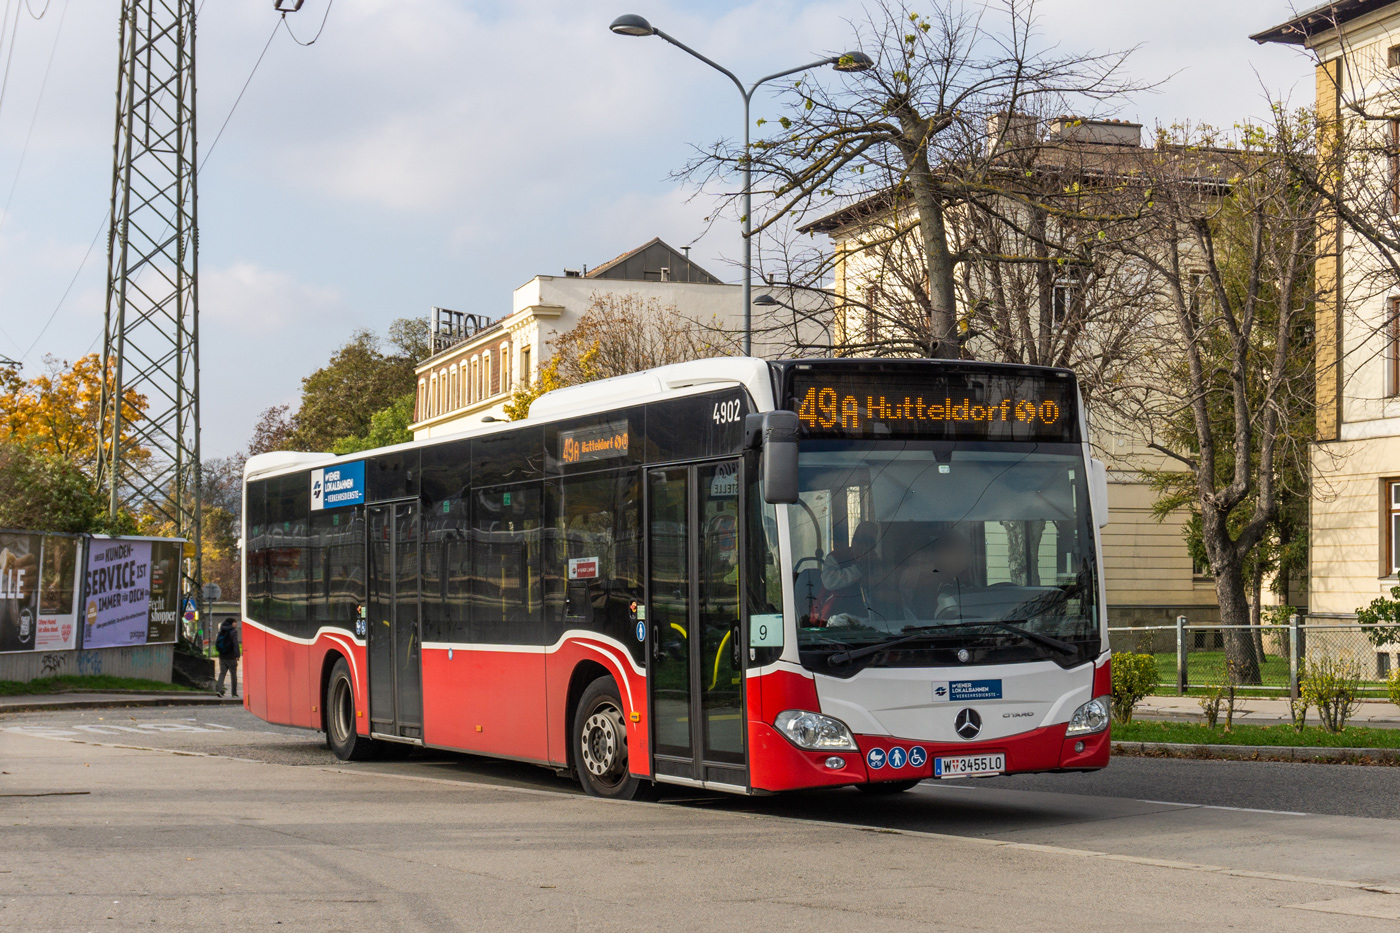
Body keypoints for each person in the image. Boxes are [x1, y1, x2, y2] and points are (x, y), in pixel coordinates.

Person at [214, 617, 241, 698]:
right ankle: (234, 693)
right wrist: (237, 655)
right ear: (231, 623)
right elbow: (235, 644)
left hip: (222, 656)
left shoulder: (221, 631)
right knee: (233, 675)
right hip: (231, 656)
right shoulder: (233, 631)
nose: (236, 624)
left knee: (222, 674)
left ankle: (219, 690)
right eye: (234, 622)